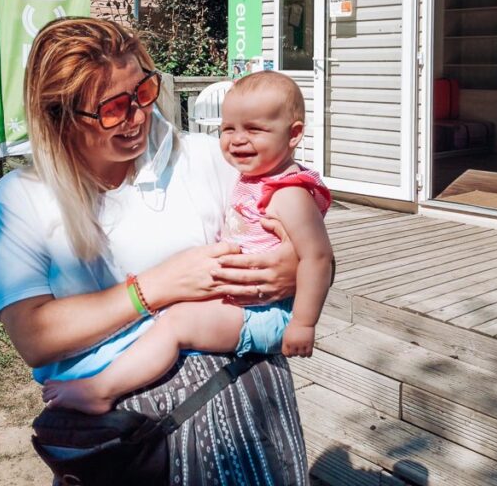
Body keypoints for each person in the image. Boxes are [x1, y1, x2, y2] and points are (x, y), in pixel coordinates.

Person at [0, 18, 310, 484]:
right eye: (113, 108)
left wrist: (292, 267)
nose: (137, 116)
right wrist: (154, 287)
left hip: (239, 393)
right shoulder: (21, 198)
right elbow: (34, 338)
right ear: (59, 114)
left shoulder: (205, 158)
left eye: (143, 91)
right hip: (123, 434)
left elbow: (313, 245)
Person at [41, 71, 333, 415]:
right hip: (245, 304)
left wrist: (303, 323)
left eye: (254, 129)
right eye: (228, 128)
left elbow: (318, 258)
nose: (237, 140)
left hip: (267, 315)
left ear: (294, 134)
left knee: (176, 324)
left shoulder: (288, 193)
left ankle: (100, 391)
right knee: (171, 315)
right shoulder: (251, 176)